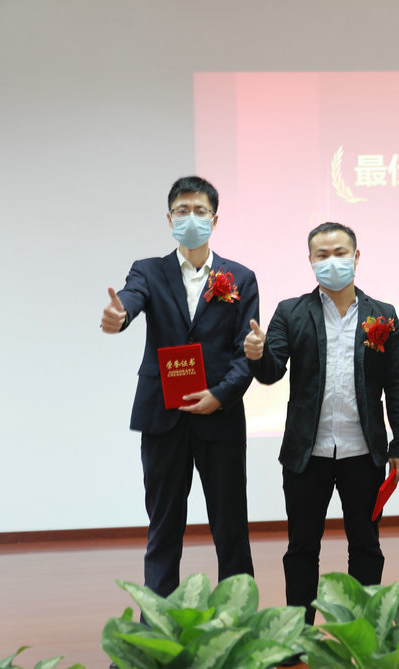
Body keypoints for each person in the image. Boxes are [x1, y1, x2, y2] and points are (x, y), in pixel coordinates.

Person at [244, 222, 399, 624]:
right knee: (302, 548)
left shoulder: (382, 314)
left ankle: (364, 629)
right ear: (310, 261)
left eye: (340, 253)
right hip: (307, 453)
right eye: (322, 255)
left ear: (356, 257)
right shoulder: (291, 311)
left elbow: (398, 383)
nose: (332, 261)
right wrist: (257, 354)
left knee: (366, 545)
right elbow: (272, 371)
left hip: (364, 452)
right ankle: (298, 633)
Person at [100, 175, 257, 598]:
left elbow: (246, 351)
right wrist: (119, 315)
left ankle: (240, 619)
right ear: (169, 219)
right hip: (162, 415)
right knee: (163, 527)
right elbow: (131, 298)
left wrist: (220, 395)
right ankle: (156, 625)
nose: (191, 218)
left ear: (215, 219)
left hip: (220, 417)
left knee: (231, 528)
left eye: (200, 211)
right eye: (182, 211)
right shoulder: (149, 270)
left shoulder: (240, 277)